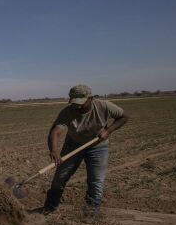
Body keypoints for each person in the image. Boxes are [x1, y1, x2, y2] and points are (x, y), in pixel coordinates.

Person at [39, 84, 129, 216]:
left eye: (81, 103)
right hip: (73, 145)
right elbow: (56, 131)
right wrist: (53, 150)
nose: (78, 106)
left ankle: (91, 214)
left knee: (96, 181)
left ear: (90, 98)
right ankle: (49, 209)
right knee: (60, 177)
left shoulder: (103, 106)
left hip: (98, 147)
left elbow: (124, 116)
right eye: (75, 103)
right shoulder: (67, 112)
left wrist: (108, 130)